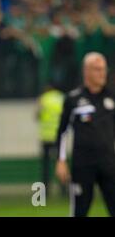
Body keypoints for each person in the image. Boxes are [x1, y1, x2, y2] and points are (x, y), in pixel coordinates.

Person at [55, 52, 115, 217]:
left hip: (109, 164)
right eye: (97, 69)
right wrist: (61, 160)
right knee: (79, 211)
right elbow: (62, 132)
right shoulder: (73, 99)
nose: (102, 73)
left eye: (104, 69)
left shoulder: (111, 96)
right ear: (86, 71)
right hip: (83, 165)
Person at [36, 83, 64, 196]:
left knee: (45, 167)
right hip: (58, 136)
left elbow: (37, 115)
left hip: (46, 137)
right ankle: (64, 191)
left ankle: (45, 192)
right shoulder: (61, 98)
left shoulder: (43, 99)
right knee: (61, 163)